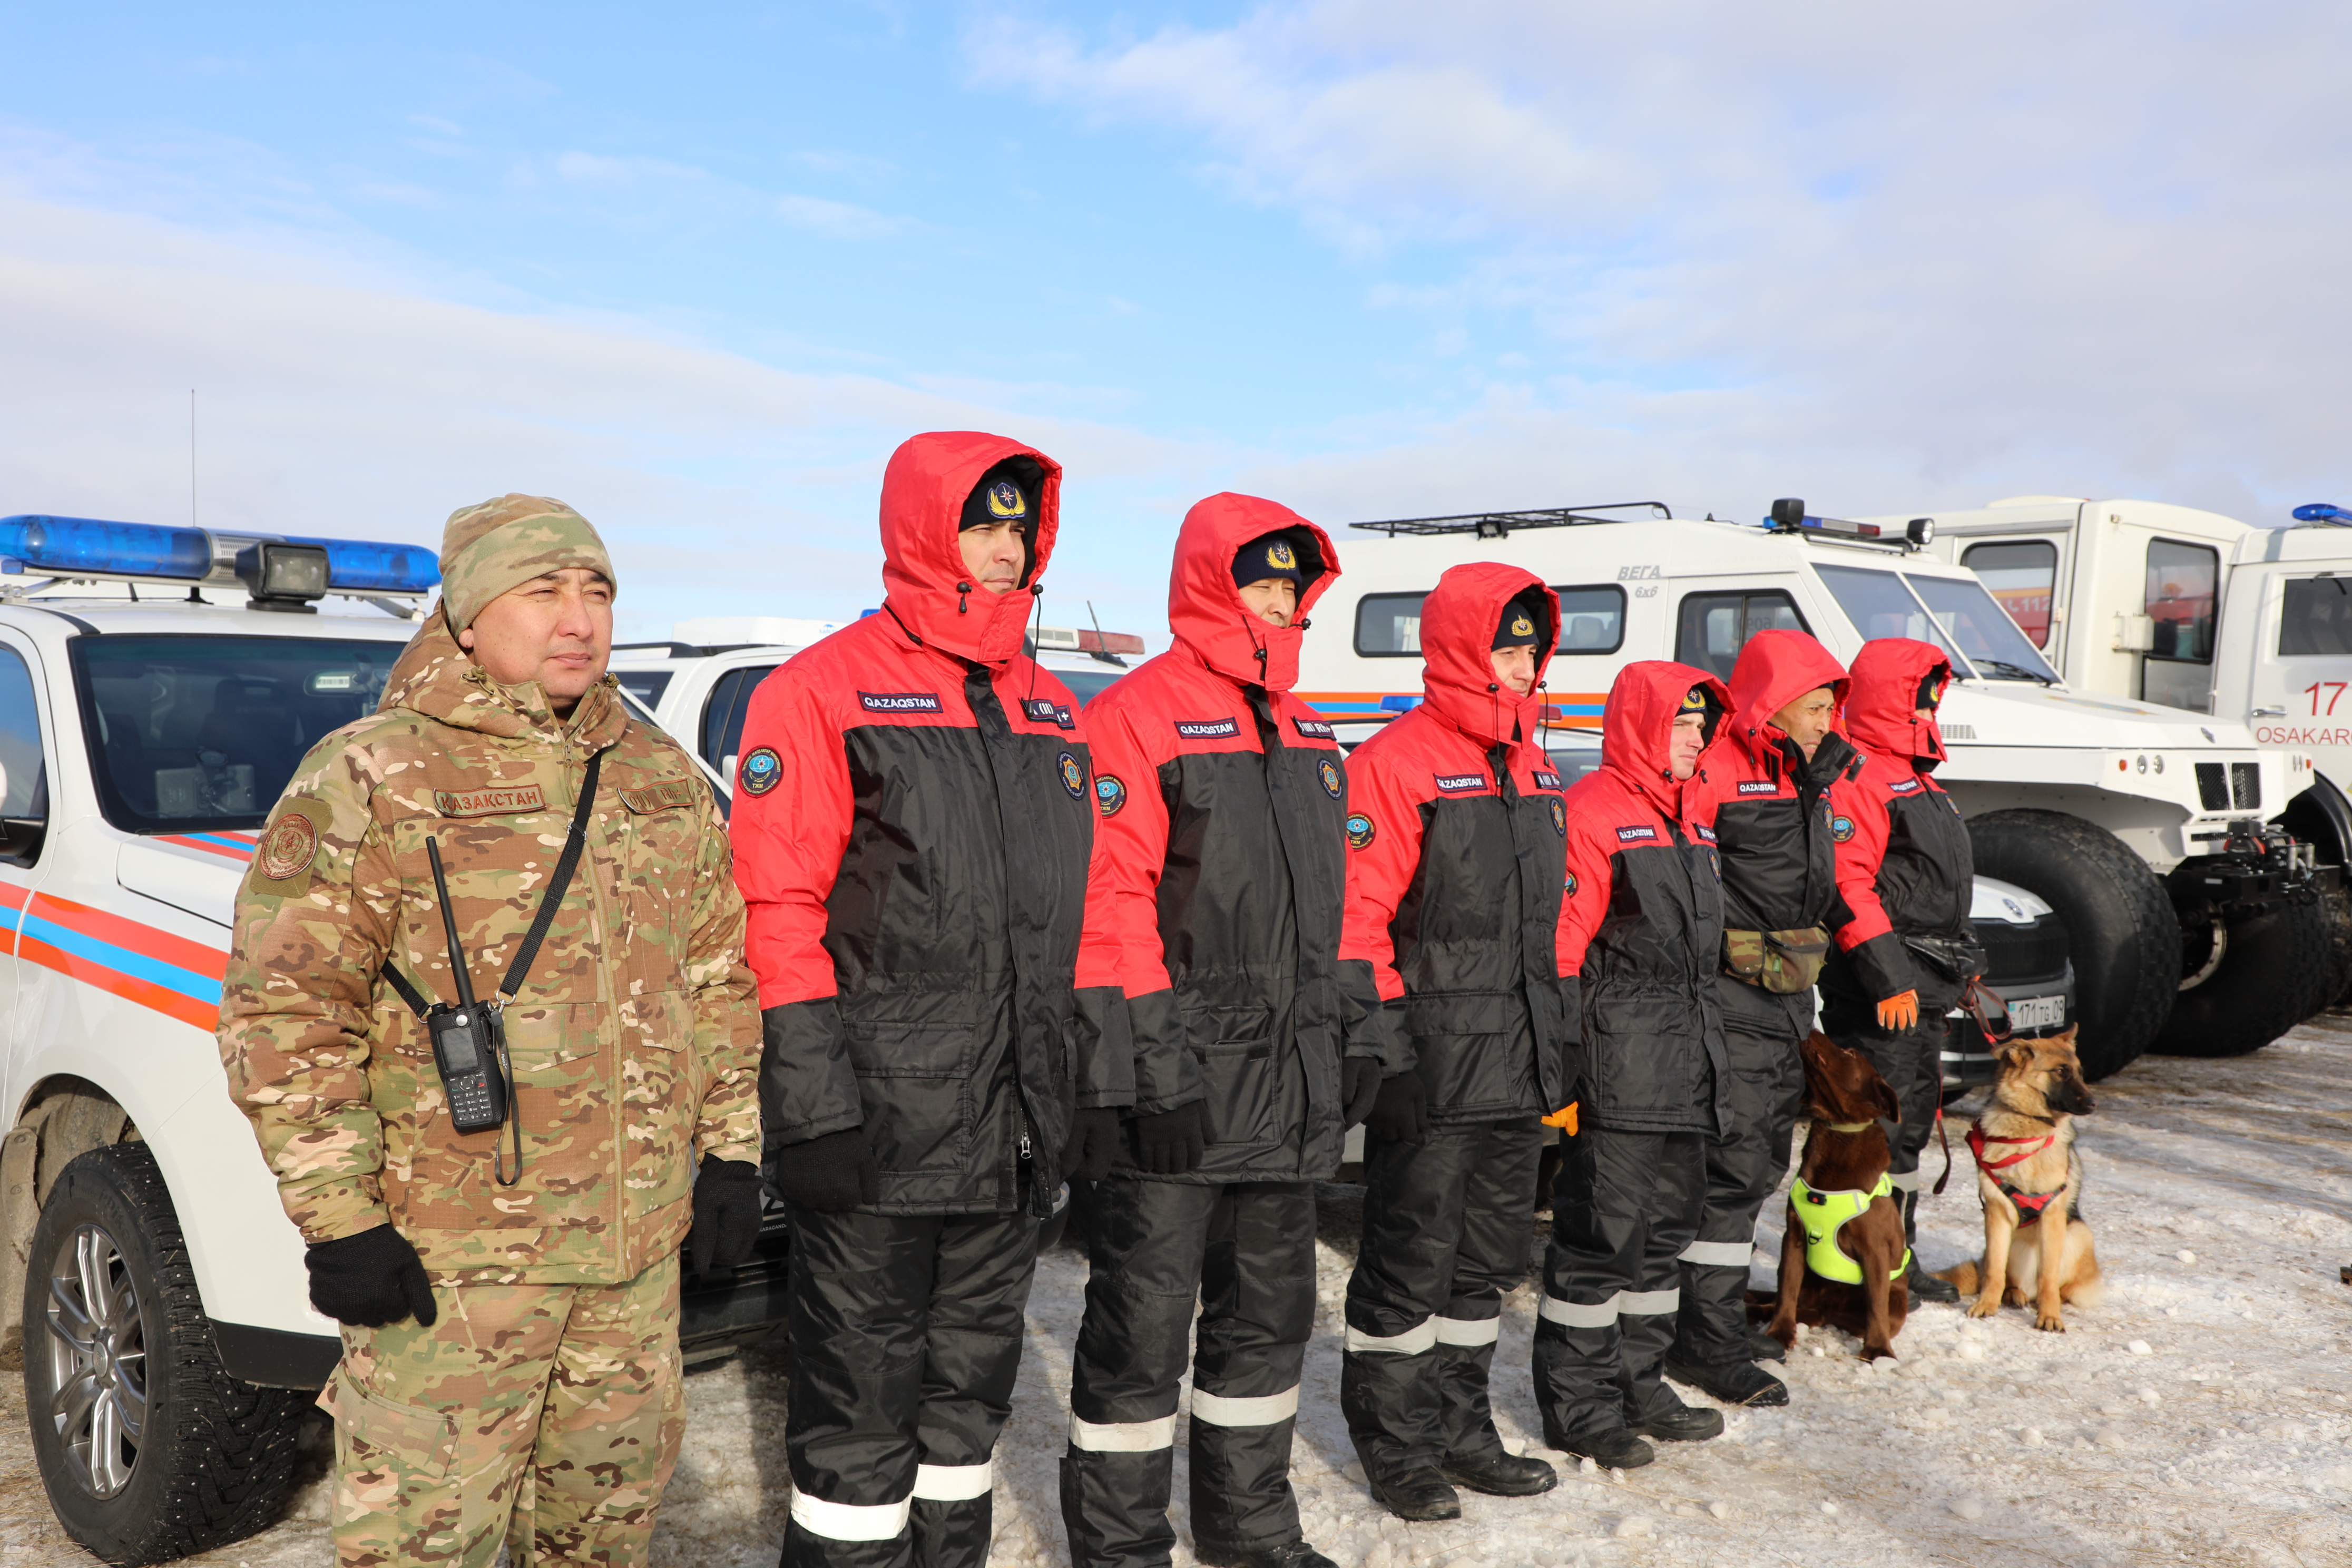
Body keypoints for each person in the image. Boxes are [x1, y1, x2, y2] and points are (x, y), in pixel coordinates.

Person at [219, 495, 763, 1568]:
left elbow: (714, 977)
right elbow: (287, 1010)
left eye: (597, 591)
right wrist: (344, 1223)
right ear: (469, 620)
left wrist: (733, 1155)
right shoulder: (374, 775)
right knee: (426, 1545)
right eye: (543, 591)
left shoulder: (655, 780)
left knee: (603, 1539)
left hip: (631, 1263)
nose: (579, 618)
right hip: (453, 1271)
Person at [731, 432, 1125, 1568]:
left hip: (1014, 1128)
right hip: (878, 1129)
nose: (1005, 550)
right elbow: (777, 908)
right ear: (922, 532)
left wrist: (1093, 1081)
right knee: (860, 1412)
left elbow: (1093, 908)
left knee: (966, 1403)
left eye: (1019, 528)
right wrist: (810, 1109)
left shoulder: (1054, 711)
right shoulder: (823, 690)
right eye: (981, 526)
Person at [1061, 495, 1396, 1568]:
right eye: (1262, 584)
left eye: (1293, 589)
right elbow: (1111, 907)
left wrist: (1363, 1033)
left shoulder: (1308, 734)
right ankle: (1120, 1547)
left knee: (1268, 1321)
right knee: (1141, 1330)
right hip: (1186, 1083)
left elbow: (1344, 906)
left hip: (1287, 1083)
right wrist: (1150, 1075)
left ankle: (1249, 1528)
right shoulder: (1137, 715)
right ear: (1213, 583)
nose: (1281, 605)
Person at [1334, 565, 1575, 1521]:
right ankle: (1396, 1450)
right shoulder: (1395, 761)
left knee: (1482, 1268)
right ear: (1462, 650)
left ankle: (1460, 1429)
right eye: (1505, 648)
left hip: (1514, 1069)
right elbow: (1355, 919)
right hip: (1435, 1066)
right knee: (1407, 1263)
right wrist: (1386, 1049)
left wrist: (1554, 1045)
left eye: (1530, 649)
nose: (1521, 666)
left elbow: (1550, 929)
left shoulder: (1537, 768)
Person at [1532, 661, 1733, 1471]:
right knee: (1600, 1241)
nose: (1695, 738)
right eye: (1681, 725)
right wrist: (1567, 1071)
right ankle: (1577, 1407)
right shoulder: (1594, 813)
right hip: (1619, 1070)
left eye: (1701, 726)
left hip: (1688, 1066)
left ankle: (1639, 1382)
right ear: (1645, 727)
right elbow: (1563, 949)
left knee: (1664, 1239)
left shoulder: (1695, 823)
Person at [1665, 630, 1857, 1407]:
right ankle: (1702, 1342)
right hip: (1731, 1000)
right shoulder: (1718, 769)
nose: (1825, 724)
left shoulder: (1807, 776)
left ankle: (1709, 1319)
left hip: (1785, 998)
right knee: (1732, 1170)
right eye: (1814, 707)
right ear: (1775, 705)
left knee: (1757, 1168)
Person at [1821, 637, 1976, 1304]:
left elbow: (1932, 889)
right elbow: (1849, 885)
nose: (1932, 702)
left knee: (1907, 1133)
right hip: (1884, 992)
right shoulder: (1860, 776)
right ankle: (1854, 1273)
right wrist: (1889, 977)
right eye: (1922, 691)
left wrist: (1957, 967)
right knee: (1873, 1137)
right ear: (1894, 693)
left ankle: (1894, 1261)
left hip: (1922, 986)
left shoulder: (1920, 779)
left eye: (1935, 693)